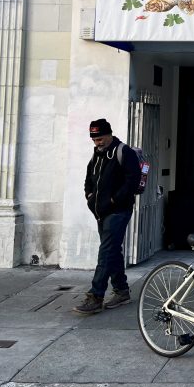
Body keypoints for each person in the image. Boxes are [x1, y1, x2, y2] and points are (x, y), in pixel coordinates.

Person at [73, 118, 141, 315]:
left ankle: (96, 295)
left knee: (105, 253)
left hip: (118, 211)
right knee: (112, 251)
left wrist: (113, 200)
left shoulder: (123, 152)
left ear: (109, 134)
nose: (97, 143)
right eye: (94, 140)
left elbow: (132, 180)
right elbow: (89, 178)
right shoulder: (97, 155)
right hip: (101, 212)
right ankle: (121, 291)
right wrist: (89, 196)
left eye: (100, 138)